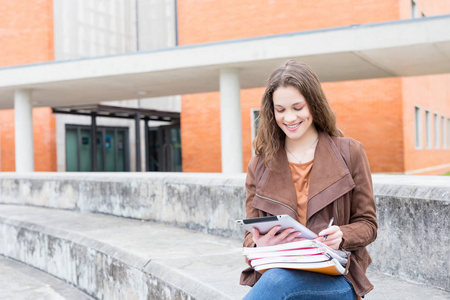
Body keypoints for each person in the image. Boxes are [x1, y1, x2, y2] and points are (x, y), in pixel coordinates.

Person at [240, 60, 377, 300]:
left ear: (313, 104)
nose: (289, 118)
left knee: (277, 281)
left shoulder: (350, 152)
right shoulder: (259, 165)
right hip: (279, 273)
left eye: (297, 107)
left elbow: (368, 225)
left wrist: (342, 235)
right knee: (278, 279)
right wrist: (258, 245)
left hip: (336, 279)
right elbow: (250, 235)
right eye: (280, 110)